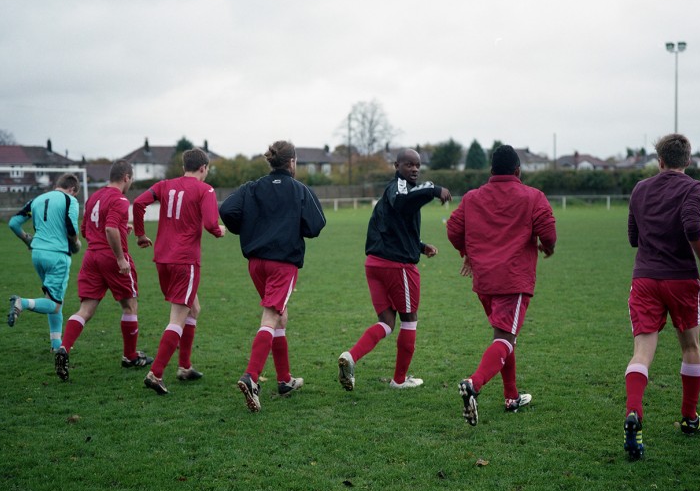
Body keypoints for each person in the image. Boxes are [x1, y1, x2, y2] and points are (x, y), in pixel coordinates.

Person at [446, 144, 556, 426]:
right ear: (518, 171)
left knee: (505, 337)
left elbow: (453, 229)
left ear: (491, 171)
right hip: (514, 279)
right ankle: (474, 384)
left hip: (484, 280)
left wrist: (467, 253)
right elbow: (548, 230)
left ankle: (511, 396)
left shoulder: (472, 197)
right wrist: (547, 246)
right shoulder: (533, 196)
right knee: (505, 339)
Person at [621, 133, 700, 461]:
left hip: (645, 278)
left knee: (642, 352)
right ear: (687, 161)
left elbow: (633, 238)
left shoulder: (640, 188)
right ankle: (689, 418)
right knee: (690, 347)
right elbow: (691, 225)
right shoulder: (693, 187)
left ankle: (634, 413)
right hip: (680, 279)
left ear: (659, 161)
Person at [220, 140, 326, 412]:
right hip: (282, 263)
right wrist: (292, 226)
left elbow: (227, 210)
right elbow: (316, 225)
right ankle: (252, 377)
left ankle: (284, 379)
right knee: (271, 315)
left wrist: (248, 229)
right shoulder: (300, 189)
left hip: (256, 263)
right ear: (292, 162)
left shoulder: (252, 187)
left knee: (280, 314)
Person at [337, 148, 452, 392]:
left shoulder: (395, 193)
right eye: (408, 164)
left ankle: (350, 356)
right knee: (409, 320)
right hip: (396, 267)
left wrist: (420, 246)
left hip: (375, 265)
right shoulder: (398, 189)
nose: (414, 169)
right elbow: (402, 201)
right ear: (396, 166)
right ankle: (399, 380)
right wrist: (433, 190)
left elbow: (394, 228)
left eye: (417, 165)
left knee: (387, 322)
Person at [132, 148, 227, 395]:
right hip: (185, 260)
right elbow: (209, 223)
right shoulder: (205, 189)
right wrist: (219, 231)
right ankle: (156, 373)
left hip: (162, 259)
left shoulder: (165, 185)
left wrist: (141, 234)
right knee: (178, 317)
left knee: (193, 308)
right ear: (204, 167)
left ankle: (185, 366)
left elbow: (139, 202)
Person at [54, 160, 151, 381]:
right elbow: (108, 228)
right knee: (129, 306)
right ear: (126, 177)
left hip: (92, 257)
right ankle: (130, 356)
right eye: (131, 179)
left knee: (85, 309)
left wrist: (120, 229)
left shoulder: (94, 197)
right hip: (111, 258)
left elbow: (87, 230)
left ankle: (64, 348)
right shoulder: (119, 199)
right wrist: (120, 258)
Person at [7, 172, 81, 354]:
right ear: (72, 189)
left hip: (37, 254)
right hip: (57, 256)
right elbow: (71, 229)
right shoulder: (70, 200)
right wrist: (77, 244)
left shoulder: (37, 200)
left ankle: (56, 346)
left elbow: (14, 223)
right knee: (54, 304)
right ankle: (21, 303)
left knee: (54, 300)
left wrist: (27, 240)